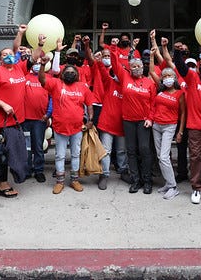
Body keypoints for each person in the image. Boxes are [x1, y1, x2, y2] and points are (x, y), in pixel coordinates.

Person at [38, 40, 97, 194]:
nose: (70, 73)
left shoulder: (82, 87)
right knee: (59, 155)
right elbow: (42, 80)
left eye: (72, 72)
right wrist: (43, 65)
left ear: (77, 75)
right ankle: (60, 181)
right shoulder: (56, 84)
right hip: (60, 127)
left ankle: (75, 180)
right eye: (67, 71)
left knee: (76, 154)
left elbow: (89, 104)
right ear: (63, 74)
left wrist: (90, 120)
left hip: (77, 128)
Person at [170, 42, 201, 204]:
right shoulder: (192, 76)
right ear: (198, 65)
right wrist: (178, 52)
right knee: (195, 156)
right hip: (195, 125)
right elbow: (180, 66)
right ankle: (196, 187)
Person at [0, 24, 30, 198]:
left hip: (17, 121)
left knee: (10, 151)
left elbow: (18, 49)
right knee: (2, 153)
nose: (8, 56)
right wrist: (3, 104)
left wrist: (23, 35)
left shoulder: (20, 68)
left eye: (11, 55)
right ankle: (3, 183)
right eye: (4, 55)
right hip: (1, 122)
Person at [112, 47, 156, 194]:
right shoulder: (125, 77)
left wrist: (150, 118)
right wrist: (113, 49)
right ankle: (136, 180)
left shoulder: (149, 83)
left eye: (139, 66)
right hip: (128, 120)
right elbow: (115, 63)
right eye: (134, 66)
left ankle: (147, 180)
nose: (136, 68)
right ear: (130, 68)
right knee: (130, 151)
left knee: (144, 150)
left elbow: (153, 103)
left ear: (143, 67)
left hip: (143, 121)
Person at [147, 31, 186, 200]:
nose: (167, 78)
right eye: (165, 76)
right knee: (160, 156)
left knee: (164, 156)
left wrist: (180, 132)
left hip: (170, 125)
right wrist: (151, 55)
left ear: (174, 78)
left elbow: (183, 113)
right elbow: (152, 71)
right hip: (156, 125)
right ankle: (168, 183)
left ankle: (173, 186)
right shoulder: (161, 89)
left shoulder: (179, 93)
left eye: (170, 76)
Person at [89, 45, 127, 189]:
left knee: (122, 151)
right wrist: (100, 61)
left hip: (122, 124)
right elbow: (104, 73)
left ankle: (123, 171)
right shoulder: (109, 82)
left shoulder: (128, 86)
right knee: (106, 150)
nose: (116, 74)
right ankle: (104, 175)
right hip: (107, 123)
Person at [22, 53, 51, 182]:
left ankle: (39, 170)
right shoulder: (24, 77)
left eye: (40, 63)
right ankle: (27, 170)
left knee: (38, 146)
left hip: (40, 119)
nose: (37, 65)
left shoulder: (47, 78)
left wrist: (49, 113)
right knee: (26, 147)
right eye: (35, 63)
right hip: (25, 119)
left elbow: (52, 99)